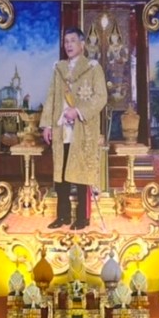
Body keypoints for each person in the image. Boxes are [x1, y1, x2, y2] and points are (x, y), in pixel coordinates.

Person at [41, 27, 108, 231]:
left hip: (82, 130)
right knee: (60, 174)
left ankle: (82, 218)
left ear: (82, 44)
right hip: (61, 129)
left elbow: (101, 97)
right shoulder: (59, 68)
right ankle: (62, 216)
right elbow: (51, 97)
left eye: (72, 40)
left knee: (81, 174)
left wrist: (77, 111)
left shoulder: (93, 67)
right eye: (66, 41)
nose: (68, 45)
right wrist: (47, 125)